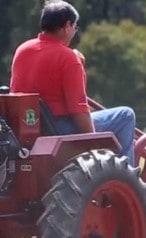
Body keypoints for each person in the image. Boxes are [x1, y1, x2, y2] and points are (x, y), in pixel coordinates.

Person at [9, 0, 136, 165]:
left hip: (31, 127)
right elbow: (78, 110)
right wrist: (92, 143)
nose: (74, 31)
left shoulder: (23, 50)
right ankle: (128, 178)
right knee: (126, 115)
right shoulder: (68, 58)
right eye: (75, 27)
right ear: (67, 26)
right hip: (59, 128)